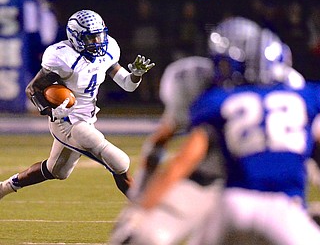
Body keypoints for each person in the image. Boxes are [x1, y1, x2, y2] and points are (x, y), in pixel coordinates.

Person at [111, 17, 320, 245]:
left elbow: (178, 156)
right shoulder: (299, 92)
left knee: (141, 235)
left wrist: (141, 207)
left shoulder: (213, 95)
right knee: (148, 236)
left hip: (232, 199)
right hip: (222, 186)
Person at [0, 9, 155, 200]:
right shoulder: (62, 57)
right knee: (120, 162)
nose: (97, 42)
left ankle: (4, 187)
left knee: (55, 170)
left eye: (99, 36)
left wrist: (136, 75)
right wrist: (51, 111)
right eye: (91, 38)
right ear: (76, 37)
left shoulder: (108, 50)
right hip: (65, 120)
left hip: (86, 120)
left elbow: (127, 85)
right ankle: (146, 208)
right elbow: (32, 89)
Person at [110, 56, 225, 245]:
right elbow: (160, 142)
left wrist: (141, 210)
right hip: (260, 193)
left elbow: (180, 164)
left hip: (238, 191)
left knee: (139, 236)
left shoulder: (214, 113)